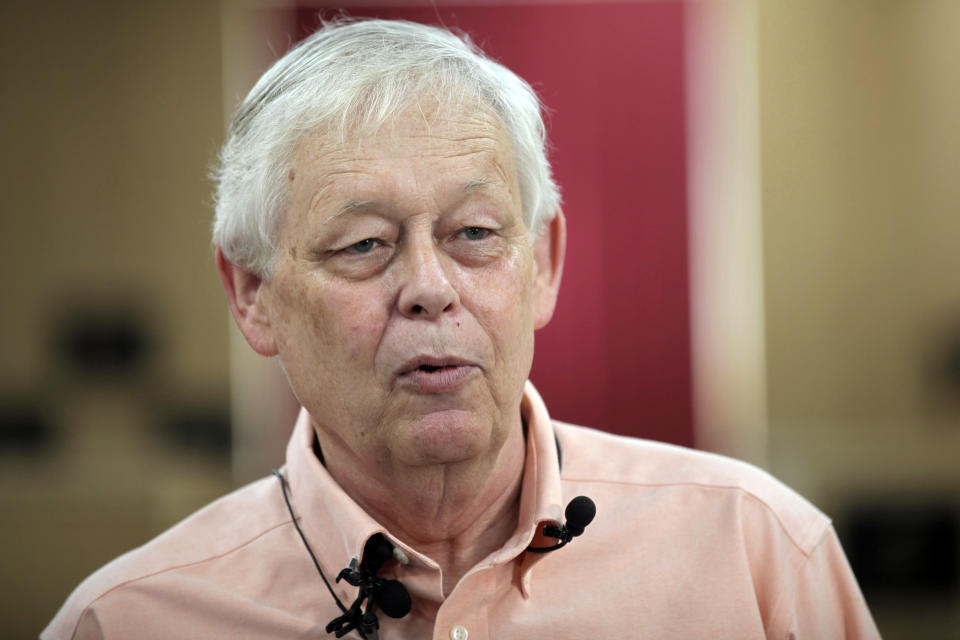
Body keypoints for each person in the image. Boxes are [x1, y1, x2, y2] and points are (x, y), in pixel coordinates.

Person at [43, 18, 879, 639]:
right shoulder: (130, 620)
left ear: (544, 262)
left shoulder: (759, 556)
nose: (429, 289)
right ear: (254, 292)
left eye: (473, 234)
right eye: (365, 244)